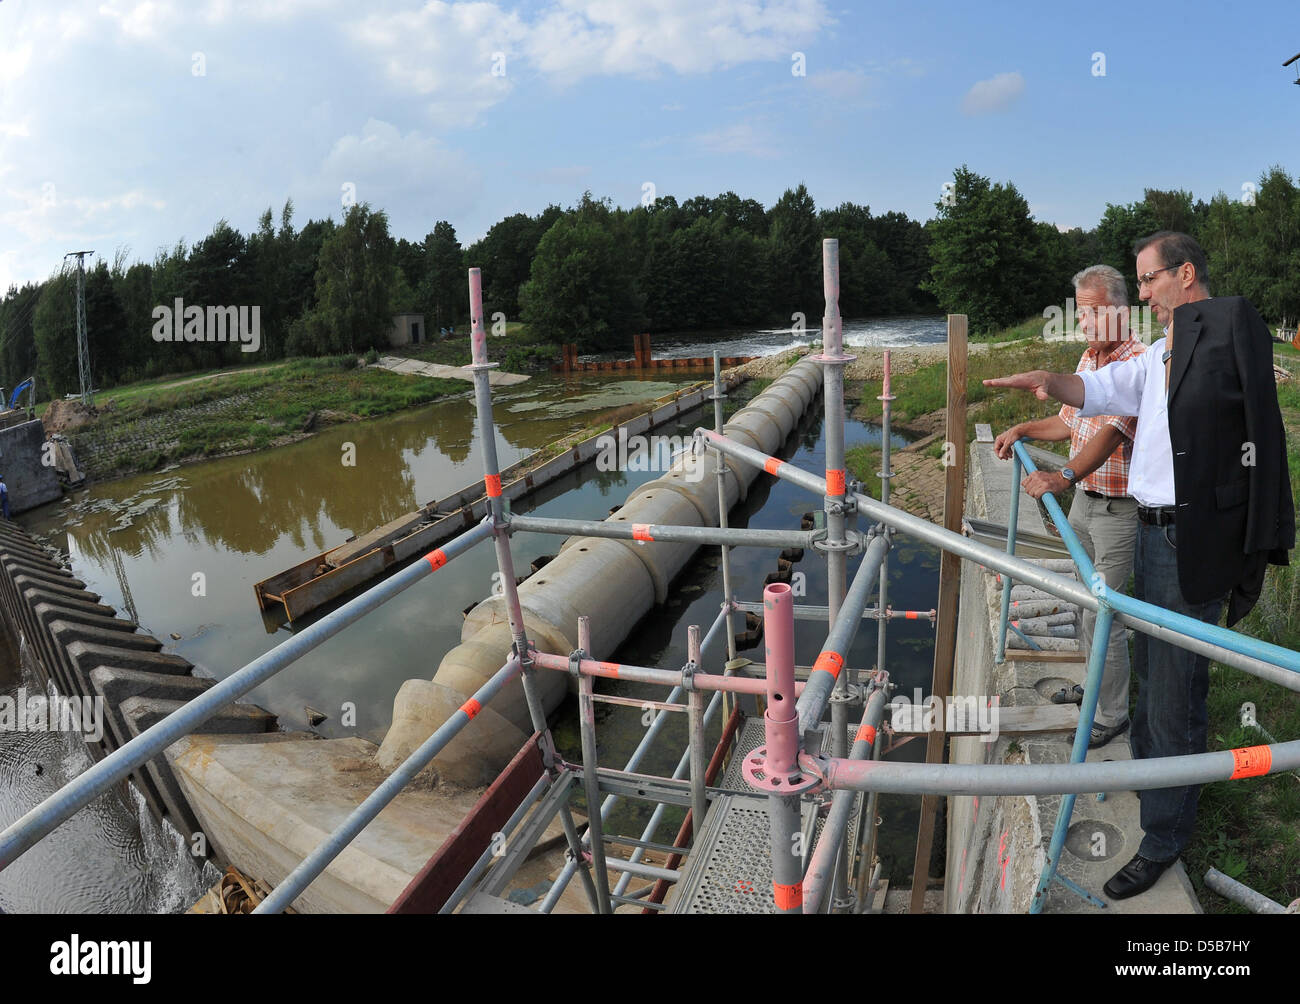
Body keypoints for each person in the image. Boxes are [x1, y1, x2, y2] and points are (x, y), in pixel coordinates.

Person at [983, 231, 1294, 901]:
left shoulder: (1225, 333)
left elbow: (1250, 396)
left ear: (1185, 275)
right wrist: (1048, 382)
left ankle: (1163, 835)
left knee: (1177, 690)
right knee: (1154, 676)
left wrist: (1259, 540)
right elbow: (1094, 389)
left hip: (1190, 541)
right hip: (1152, 534)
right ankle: (1155, 779)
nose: (1143, 293)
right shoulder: (1156, 356)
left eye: (1150, 281)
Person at [993, 265, 1143, 749]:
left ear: (1120, 311)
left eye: (1095, 313)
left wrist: (1061, 477)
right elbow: (1067, 424)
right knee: (1083, 604)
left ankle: (1113, 713)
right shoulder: (1088, 358)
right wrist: (1021, 431)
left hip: (1117, 512)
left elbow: (1107, 435)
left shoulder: (1135, 362)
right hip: (1084, 504)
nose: (1085, 323)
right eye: (1081, 313)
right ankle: (1095, 687)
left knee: (1105, 616)